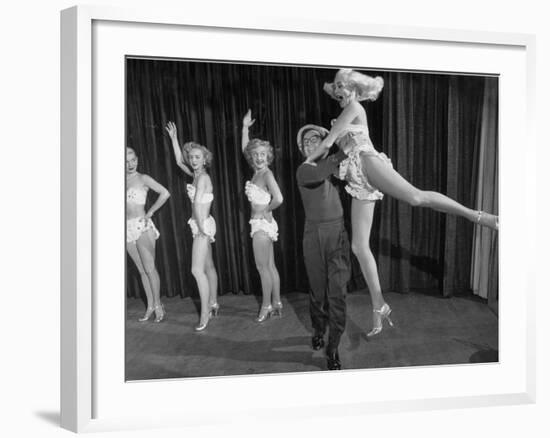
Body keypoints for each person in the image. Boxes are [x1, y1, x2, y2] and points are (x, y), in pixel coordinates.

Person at [307, 68, 499, 337]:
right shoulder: (343, 113)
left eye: (344, 84)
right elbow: (337, 149)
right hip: (357, 176)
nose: (339, 89)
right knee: (359, 246)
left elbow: (328, 143)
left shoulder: (353, 108)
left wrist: (307, 162)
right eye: (336, 85)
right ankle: (379, 306)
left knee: (416, 197)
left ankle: (477, 216)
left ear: (354, 88)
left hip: (368, 163)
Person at [296, 124, 352, 371]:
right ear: (301, 149)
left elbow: (344, 160)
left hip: (337, 233)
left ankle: (333, 346)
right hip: (314, 236)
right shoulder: (304, 170)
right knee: (318, 294)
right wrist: (338, 150)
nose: (311, 143)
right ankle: (319, 330)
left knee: (337, 294)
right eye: (306, 142)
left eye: (316, 139)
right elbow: (322, 171)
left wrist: (336, 140)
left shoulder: (333, 168)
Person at [165, 122, 219, 332]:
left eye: (198, 157)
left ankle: (205, 312)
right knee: (208, 267)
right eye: (192, 157)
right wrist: (173, 139)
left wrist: (200, 228)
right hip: (201, 224)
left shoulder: (203, 177)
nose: (193, 161)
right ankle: (214, 302)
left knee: (196, 270)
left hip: (202, 225)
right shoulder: (196, 175)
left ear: (205, 159)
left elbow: (197, 204)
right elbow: (179, 161)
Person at [241, 110, 284, 322]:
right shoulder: (257, 171)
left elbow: (279, 198)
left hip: (261, 225)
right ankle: (277, 303)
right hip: (262, 224)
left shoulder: (266, 173)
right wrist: (245, 128)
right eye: (255, 154)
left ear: (268, 156)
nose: (259, 157)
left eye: (262, 154)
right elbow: (244, 148)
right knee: (270, 266)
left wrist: (265, 211)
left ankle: (266, 306)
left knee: (262, 267)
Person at [126, 147, 170, 323]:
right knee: (142, 270)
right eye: (126, 161)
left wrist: (151, 211)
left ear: (137, 159)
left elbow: (165, 193)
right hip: (126, 228)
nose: (130, 164)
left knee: (150, 268)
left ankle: (159, 305)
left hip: (143, 226)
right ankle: (150, 306)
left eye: (133, 159)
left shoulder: (143, 178)